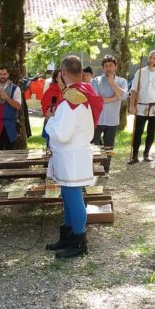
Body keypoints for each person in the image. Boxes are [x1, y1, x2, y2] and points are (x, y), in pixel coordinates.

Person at [44, 55, 103, 259]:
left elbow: (62, 133)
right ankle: (68, 237)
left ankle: (78, 241)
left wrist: (50, 121)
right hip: (72, 154)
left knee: (73, 198)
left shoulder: (71, 98)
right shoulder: (82, 93)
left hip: (71, 155)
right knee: (68, 197)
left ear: (62, 73)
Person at [128, 50, 155, 164]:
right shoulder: (140, 72)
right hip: (141, 108)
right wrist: (132, 105)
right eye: (151, 57)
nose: (152, 60)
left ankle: (147, 153)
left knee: (151, 132)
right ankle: (135, 155)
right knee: (138, 132)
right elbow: (134, 90)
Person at [91, 55, 128, 176]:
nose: (108, 68)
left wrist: (112, 83)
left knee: (109, 146)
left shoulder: (121, 81)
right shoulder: (96, 81)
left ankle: (105, 169)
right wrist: (114, 97)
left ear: (115, 67)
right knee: (93, 143)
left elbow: (123, 97)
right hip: (98, 119)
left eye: (111, 65)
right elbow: (97, 99)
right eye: (106, 66)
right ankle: (91, 166)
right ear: (103, 68)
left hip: (112, 120)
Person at [0, 65, 22, 150]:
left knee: (11, 150)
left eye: (4, 74)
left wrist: (6, 98)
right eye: (0, 74)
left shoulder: (15, 89)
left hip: (11, 124)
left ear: (8, 75)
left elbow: (18, 106)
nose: (2, 76)